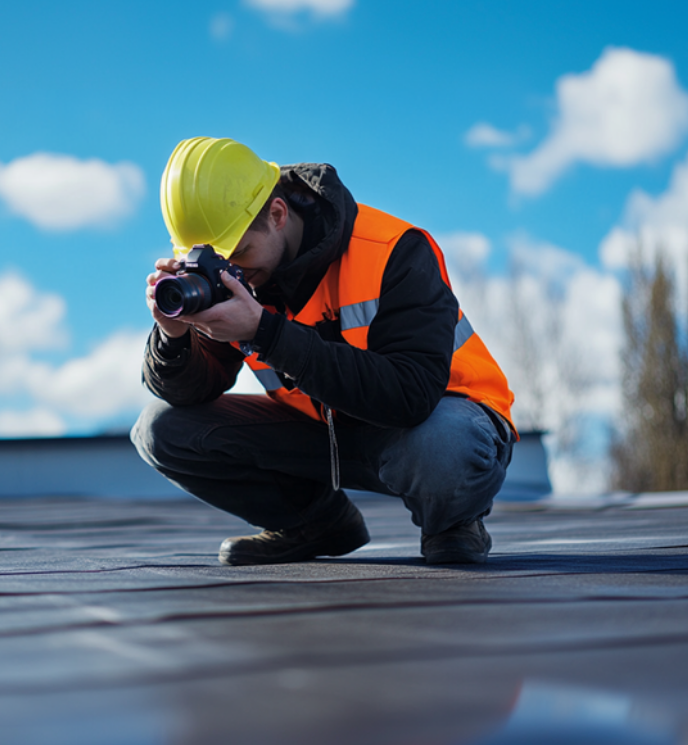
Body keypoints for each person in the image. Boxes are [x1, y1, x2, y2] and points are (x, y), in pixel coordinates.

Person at [132, 137, 516, 566]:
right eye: (223, 259)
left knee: (444, 445)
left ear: (277, 214)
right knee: (161, 428)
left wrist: (266, 332)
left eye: (240, 252)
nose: (235, 269)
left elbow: (412, 395)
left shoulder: (393, 250)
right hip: (324, 436)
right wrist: (174, 336)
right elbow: (190, 395)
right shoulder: (240, 277)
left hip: (435, 423)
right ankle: (315, 524)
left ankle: (453, 523)